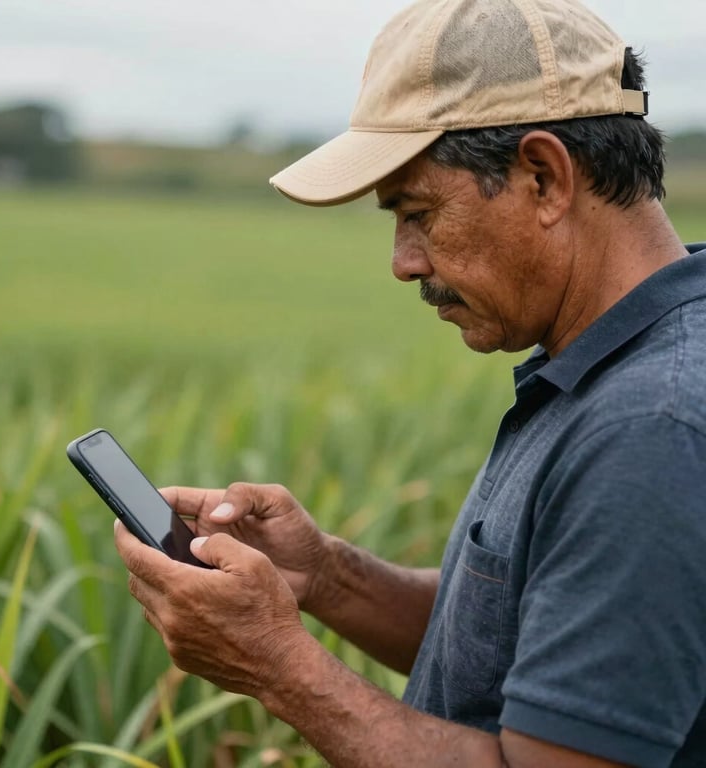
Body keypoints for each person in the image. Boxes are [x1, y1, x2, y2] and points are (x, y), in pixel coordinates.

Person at [114, 0, 706, 766]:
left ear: (545, 177)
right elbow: (524, 639)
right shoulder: (605, 366)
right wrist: (326, 575)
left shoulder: (652, 428)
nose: (404, 261)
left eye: (419, 212)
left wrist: (278, 666)